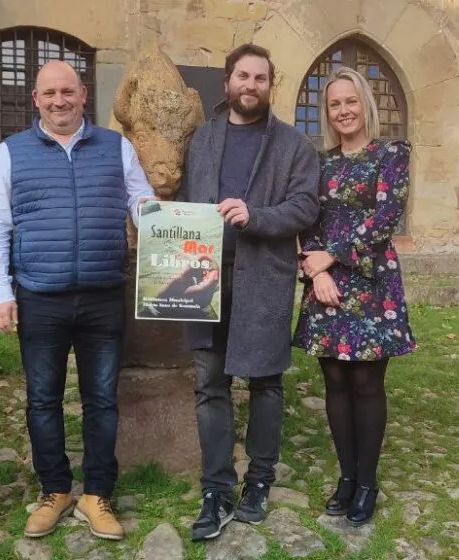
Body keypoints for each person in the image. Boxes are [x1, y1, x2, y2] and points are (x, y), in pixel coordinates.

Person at [0, 60, 155, 541]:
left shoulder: (118, 148)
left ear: (83, 95)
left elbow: (144, 206)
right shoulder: (11, 153)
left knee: (101, 400)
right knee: (42, 400)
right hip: (40, 296)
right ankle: (55, 491)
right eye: (50, 93)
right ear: (36, 99)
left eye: (68, 92)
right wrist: (0, 292)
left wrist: (184, 233)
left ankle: (98, 494)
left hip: (101, 296)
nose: (60, 101)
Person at [177, 43, 320, 541]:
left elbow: (305, 207)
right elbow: (182, 199)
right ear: (228, 81)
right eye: (243, 76)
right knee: (209, 381)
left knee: (265, 381)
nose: (251, 85)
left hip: (263, 276)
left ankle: (258, 479)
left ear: (270, 85)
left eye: (260, 78)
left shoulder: (293, 146)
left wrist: (256, 217)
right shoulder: (203, 138)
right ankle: (216, 487)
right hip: (204, 277)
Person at [292, 67, 416, 526]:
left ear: (366, 105)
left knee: (366, 383)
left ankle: (367, 481)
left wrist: (331, 258)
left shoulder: (391, 153)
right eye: (334, 105)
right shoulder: (320, 163)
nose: (343, 111)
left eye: (351, 102)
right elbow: (307, 217)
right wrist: (313, 268)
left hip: (371, 282)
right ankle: (346, 477)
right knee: (336, 384)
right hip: (326, 283)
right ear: (328, 114)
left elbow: (386, 217)